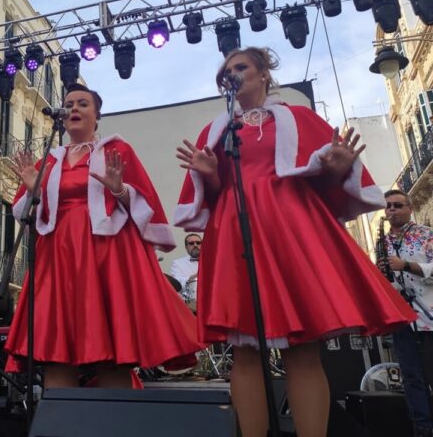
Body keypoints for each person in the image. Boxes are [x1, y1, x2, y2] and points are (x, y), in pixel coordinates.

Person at [175, 46, 415, 437]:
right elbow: (215, 195)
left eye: (240, 67)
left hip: (289, 229)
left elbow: (327, 184)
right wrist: (210, 175)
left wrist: (337, 169)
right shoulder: (215, 130)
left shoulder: (299, 118)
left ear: (264, 74)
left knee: (302, 351)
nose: (230, 74)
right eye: (225, 70)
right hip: (237, 232)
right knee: (244, 352)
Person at [7, 83, 201, 389]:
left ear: (97, 116)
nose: (73, 108)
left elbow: (144, 202)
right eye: (69, 104)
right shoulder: (51, 159)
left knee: (112, 350)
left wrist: (118, 189)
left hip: (105, 252)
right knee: (58, 351)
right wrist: (34, 191)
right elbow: (25, 214)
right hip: (59, 255)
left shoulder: (117, 150)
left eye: (82, 103)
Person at [380, 189, 433, 437]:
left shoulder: (425, 234)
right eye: (388, 206)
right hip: (402, 317)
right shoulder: (384, 242)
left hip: (429, 315)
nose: (392, 210)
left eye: (397, 205)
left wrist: (408, 266)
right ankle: (422, 426)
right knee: (411, 376)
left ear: (410, 208)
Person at [169, 233, 202, 304]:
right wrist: (193, 277)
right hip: (190, 304)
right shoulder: (177, 263)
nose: (195, 245)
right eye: (191, 243)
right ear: (186, 247)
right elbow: (177, 283)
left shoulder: (213, 261)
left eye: (198, 243)